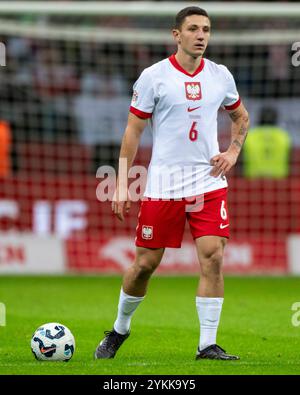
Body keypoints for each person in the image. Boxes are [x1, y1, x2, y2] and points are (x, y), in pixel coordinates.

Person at [95, 6, 249, 361]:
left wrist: (233, 152)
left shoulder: (220, 75)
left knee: (213, 257)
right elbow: (132, 132)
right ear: (176, 35)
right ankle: (119, 329)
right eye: (193, 29)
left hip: (208, 182)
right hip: (164, 185)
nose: (201, 36)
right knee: (146, 264)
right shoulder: (154, 76)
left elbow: (241, 117)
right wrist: (121, 183)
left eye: (206, 30)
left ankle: (207, 345)